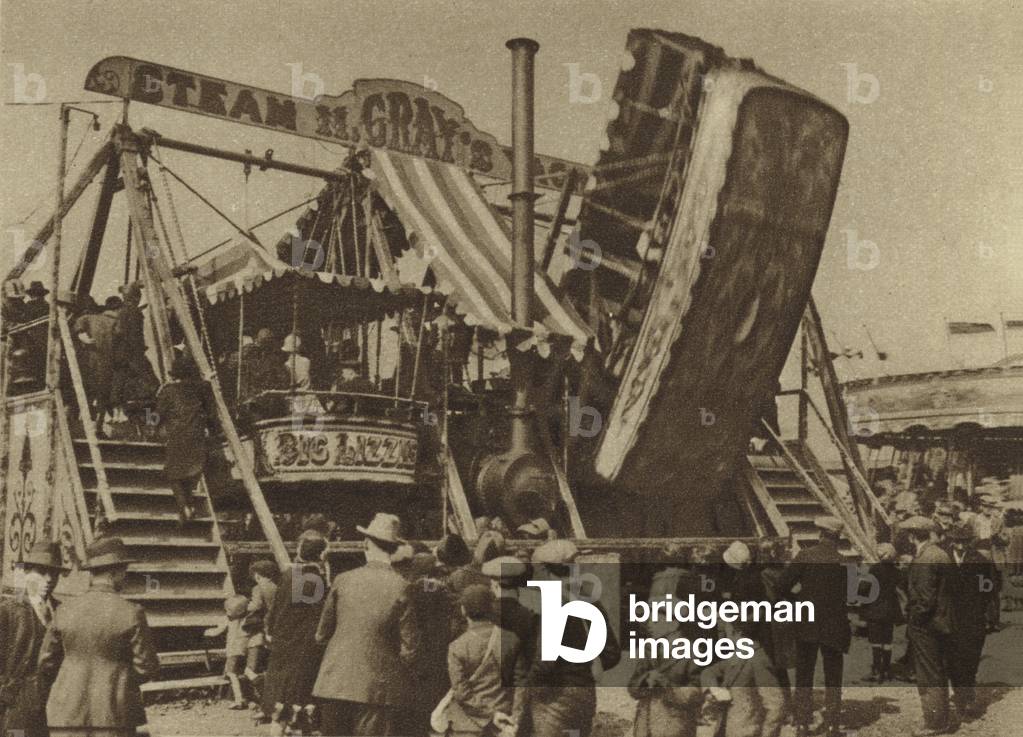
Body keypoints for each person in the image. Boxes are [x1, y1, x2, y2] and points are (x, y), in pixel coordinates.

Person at [38, 537, 161, 736]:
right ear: (114, 573)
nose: (125, 577)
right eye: (124, 572)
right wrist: (118, 677)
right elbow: (146, 667)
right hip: (113, 715)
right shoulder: (132, 612)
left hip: (66, 713)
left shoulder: (64, 610)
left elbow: (45, 663)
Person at [313, 513, 419, 735]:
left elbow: (322, 635)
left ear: (365, 544)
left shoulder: (343, 579)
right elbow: (410, 648)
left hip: (333, 681)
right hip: (376, 688)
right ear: (393, 549)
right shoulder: (402, 586)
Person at [527, 539, 621, 737]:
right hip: (584, 694)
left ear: (544, 569)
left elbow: (546, 661)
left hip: (556, 697)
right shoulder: (588, 598)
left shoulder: (553, 601)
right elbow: (611, 653)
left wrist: (528, 684)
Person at [776, 517, 850, 737]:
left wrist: (797, 599)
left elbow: (781, 585)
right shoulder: (844, 561)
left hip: (807, 624)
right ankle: (833, 726)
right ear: (837, 537)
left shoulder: (806, 556)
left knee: (804, 674)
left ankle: (802, 724)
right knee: (833, 676)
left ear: (821, 534)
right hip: (835, 625)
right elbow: (850, 596)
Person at [264, 529, 330, 735]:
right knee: (296, 695)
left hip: (283, 641)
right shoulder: (314, 579)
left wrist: (271, 631)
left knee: (281, 694)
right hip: (302, 646)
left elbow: (277, 609)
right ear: (321, 555)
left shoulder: (290, 574)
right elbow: (314, 617)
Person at [437, 584, 525, 737]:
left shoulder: (457, 647)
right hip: (504, 724)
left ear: (463, 610)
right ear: (492, 608)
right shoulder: (511, 639)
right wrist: (515, 719)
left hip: (467, 726)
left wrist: (491, 715)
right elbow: (521, 683)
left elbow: (461, 693)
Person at [0, 541, 67, 737]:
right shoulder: (8, 612)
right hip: (15, 707)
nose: (48, 580)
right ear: (26, 573)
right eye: (41, 572)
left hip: (50, 705)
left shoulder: (62, 611)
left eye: (53, 573)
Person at [903, 515, 955, 736]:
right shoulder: (941, 554)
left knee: (928, 672)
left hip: (927, 625)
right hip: (943, 621)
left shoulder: (925, 558)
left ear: (912, 536)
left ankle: (935, 722)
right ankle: (941, 717)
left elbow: (924, 599)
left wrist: (913, 620)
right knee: (938, 670)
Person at [947, 521, 997, 720]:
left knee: (970, 658)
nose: (960, 546)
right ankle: (961, 696)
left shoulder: (980, 560)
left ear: (970, 542)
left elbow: (990, 588)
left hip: (974, 618)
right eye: (957, 542)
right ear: (952, 541)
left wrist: (986, 612)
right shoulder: (944, 558)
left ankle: (965, 695)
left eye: (964, 542)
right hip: (950, 617)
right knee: (953, 660)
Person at [156, 355, 214, 522]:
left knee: (173, 474)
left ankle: (184, 507)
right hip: (196, 436)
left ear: (174, 375)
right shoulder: (202, 388)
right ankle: (190, 505)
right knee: (189, 473)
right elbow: (211, 412)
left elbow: (156, 415)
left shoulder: (168, 391)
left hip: (177, 436)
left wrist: (148, 421)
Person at [111, 283, 159, 429]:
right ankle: (152, 424)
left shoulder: (122, 312)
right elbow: (131, 335)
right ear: (136, 297)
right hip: (133, 355)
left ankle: (127, 422)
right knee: (152, 388)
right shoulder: (134, 312)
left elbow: (118, 332)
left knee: (123, 391)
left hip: (123, 357)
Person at [74, 296, 120, 430]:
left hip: (93, 359)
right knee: (106, 387)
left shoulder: (85, 319)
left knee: (92, 387)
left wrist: (85, 340)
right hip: (109, 359)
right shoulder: (112, 321)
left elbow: (80, 332)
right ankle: (105, 416)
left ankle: (92, 417)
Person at [860, 542, 903, 683]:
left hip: (875, 608)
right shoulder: (897, 571)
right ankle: (886, 670)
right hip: (890, 610)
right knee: (887, 640)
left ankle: (876, 670)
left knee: (875, 641)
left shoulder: (875, 570)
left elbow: (864, 589)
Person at [204, 594, 253, 709]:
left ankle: (239, 699)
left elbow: (217, 631)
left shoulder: (228, 620)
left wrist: (207, 631)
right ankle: (246, 696)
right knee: (238, 672)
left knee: (232, 674)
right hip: (244, 648)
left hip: (233, 650)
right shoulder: (246, 618)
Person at [245, 559, 279, 682]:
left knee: (257, 639)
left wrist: (245, 606)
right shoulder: (275, 586)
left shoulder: (257, 588)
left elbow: (257, 605)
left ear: (257, 575)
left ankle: (252, 670)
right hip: (276, 619)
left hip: (266, 620)